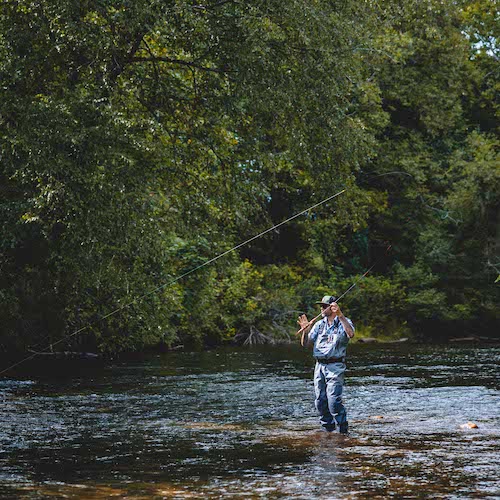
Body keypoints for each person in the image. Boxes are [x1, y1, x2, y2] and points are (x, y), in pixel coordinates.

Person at [298, 295, 355, 434]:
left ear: (333, 307)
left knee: (334, 401)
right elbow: (306, 344)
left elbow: (351, 334)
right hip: (319, 366)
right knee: (320, 401)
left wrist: (340, 315)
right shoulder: (319, 324)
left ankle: (343, 431)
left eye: (324, 306)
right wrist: (305, 331)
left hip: (335, 366)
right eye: (321, 306)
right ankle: (327, 431)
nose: (322, 308)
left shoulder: (344, 321)